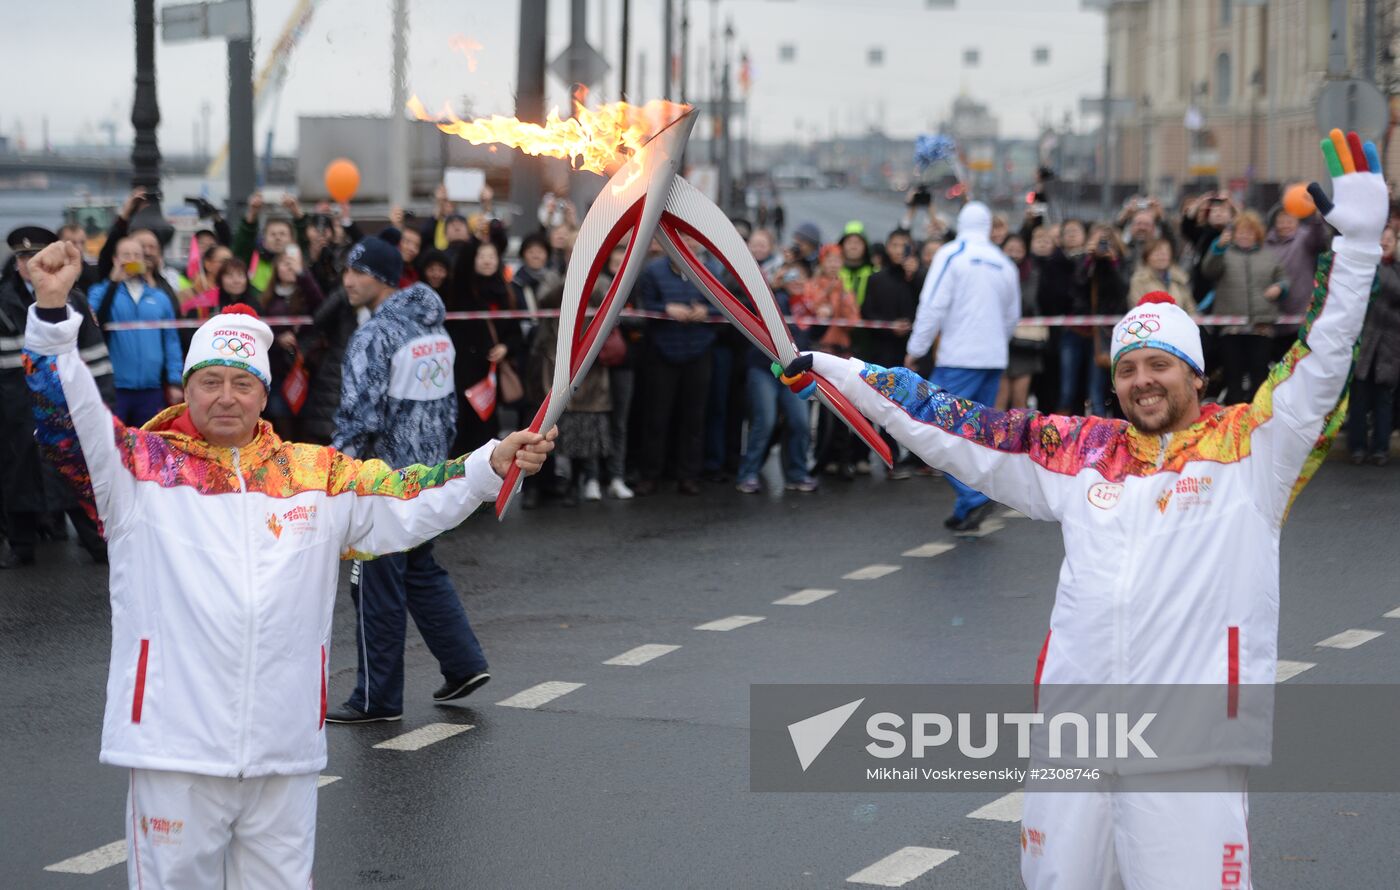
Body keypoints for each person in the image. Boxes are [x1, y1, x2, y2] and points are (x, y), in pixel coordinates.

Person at [781, 135, 1385, 889]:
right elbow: (958, 427)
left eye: (1160, 364)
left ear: (1196, 375)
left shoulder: (1254, 449)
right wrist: (845, 374)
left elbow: (1321, 362)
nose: (1142, 381)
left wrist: (1357, 249)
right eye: (1128, 368)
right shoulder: (1081, 450)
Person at [21, 237, 554, 889]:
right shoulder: (140, 470)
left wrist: (485, 464)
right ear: (187, 388)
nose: (225, 397)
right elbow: (64, 427)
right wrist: (51, 318)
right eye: (209, 381)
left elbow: (406, 494)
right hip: (174, 751)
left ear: (262, 392)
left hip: (284, 755)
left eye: (242, 383)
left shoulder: (313, 476)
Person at [326, 235, 510, 723]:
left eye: (357, 272)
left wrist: (334, 471)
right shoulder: (434, 329)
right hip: (426, 473)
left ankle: (376, 699)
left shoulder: (376, 336)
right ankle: (464, 664)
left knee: (375, 582)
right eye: (347, 270)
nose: (348, 280)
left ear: (382, 280)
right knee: (420, 569)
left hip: (383, 480)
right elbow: (445, 408)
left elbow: (359, 417)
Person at [903, 201, 1020, 530]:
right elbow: (1012, 318)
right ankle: (966, 507)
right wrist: (995, 343)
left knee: (933, 426)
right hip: (993, 359)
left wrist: (915, 349)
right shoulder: (1003, 263)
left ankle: (973, 496)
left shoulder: (951, 254)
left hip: (959, 359)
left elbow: (931, 306)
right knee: (973, 433)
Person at [0, 226, 112, 568]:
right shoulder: (3, 300)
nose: (27, 263)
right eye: (22, 257)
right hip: (16, 406)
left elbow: (95, 356)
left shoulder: (75, 300)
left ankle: (98, 544)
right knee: (17, 474)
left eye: (33, 256)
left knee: (73, 473)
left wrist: (105, 403)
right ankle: (21, 547)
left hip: (65, 405)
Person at [634, 239, 719, 496]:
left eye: (691, 244)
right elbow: (643, 307)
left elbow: (724, 306)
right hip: (663, 351)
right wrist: (666, 309)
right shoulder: (652, 271)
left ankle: (689, 475)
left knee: (694, 418)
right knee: (657, 417)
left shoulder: (709, 272)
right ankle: (650, 475)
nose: (686, 248)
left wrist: (705, 311)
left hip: (699, 350)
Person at [735, 259, 818, 495]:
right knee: (765, 421)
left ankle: (797, 474)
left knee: (800, 422)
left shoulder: (807, 305)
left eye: (801, 276)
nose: (797, 281)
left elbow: (815, 333)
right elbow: (753, 310)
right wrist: (771, 287)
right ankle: (747, 474)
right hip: (764, 368)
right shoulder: (776, 298)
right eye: (792, 276)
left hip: (793, 372)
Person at [87, 236, 184, 427]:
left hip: (151, 389)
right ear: (115, 259)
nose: (132, 259)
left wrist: (174, 381)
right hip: (115, 388)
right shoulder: (99, 291)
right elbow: (93, 325)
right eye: (126, 255)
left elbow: (171, 341)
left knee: (149, 448)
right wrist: (114, 283)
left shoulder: (159, 297)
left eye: (137, 255)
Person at [1200, 211, 1289, 403]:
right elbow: (1208, 270)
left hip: (1261, 328)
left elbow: (1283, 278)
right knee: (1233, 378)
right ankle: (1234, 423)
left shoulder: (1268, 256)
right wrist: (1217, 248)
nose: (1245, 236)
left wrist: (1280, 287)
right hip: (1231, 331)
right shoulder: (1224, 253)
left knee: (1260, 378)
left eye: (1249, 232)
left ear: (1257, 234)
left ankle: (1258, 420)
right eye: (1241, 232)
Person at [1347, 224, 1400, 464]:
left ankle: (1381, 448)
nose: (1385, 241)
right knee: (1358, 398)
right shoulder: (1361, 267)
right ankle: (1357, 447)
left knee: (1383, 399)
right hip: (1365, 341)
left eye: (1389, 238)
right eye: (1381, 237)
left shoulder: (1392, 269)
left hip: (1389, 345)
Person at [1127, 237, 1195, 312]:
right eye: (1157, 254)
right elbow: (1137, 307)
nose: (1162, 257)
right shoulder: (1139, 280)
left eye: (1165, 253)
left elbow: (1190, 307)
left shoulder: (1180, 278)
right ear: (1147, 257)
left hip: (1179, 322)